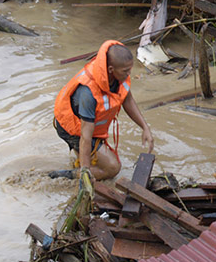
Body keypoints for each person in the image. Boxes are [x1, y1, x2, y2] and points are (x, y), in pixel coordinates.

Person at [50, 40, 154, 181]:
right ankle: (66, 176)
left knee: (89, 159)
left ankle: (81, 165)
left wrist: (144, 127)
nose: (129, 74)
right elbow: (86, 136)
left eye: (130, 69)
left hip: (86, 123)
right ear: (111, 69)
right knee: (112, 167)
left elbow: (127, 99)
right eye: (125, 71)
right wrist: (85, 172)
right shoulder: (88, 93)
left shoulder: (119, 76)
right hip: (71, 128)